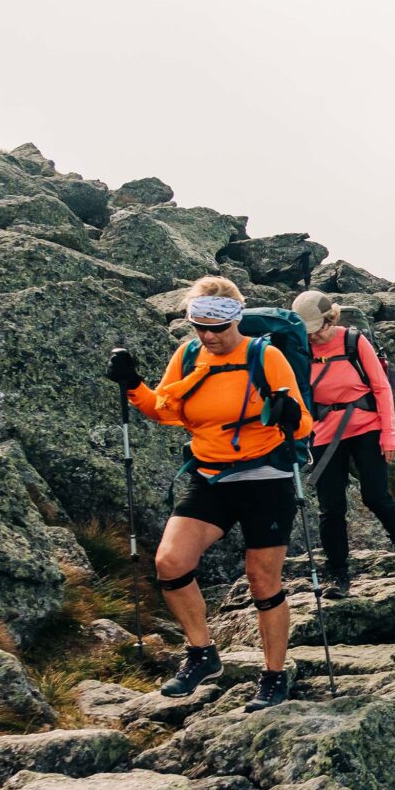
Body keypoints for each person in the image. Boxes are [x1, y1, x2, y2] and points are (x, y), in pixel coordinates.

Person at [106, 275, 315, 710]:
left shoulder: (266, 356)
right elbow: (164, 411)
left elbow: (304, 427)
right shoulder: (187, 356)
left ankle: (274, 676)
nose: (208, 335)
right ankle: (202, 654)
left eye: (216, 327)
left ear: (236, 319)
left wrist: (287, 413)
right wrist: (131, 385)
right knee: (170, 561)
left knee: (262, 580)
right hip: (211, 476)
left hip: (266, 478)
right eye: (199, 325)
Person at [293, 289, 395, 598]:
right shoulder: (297, 348)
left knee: (375, 496)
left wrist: (389, 434)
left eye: (318, 330)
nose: (314, 337)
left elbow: (381, 388)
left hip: (367, 427)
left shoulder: (353, 341)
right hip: (324, 433)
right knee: (331, 507)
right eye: (307, 332)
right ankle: (338, 576)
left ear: (330, 318)